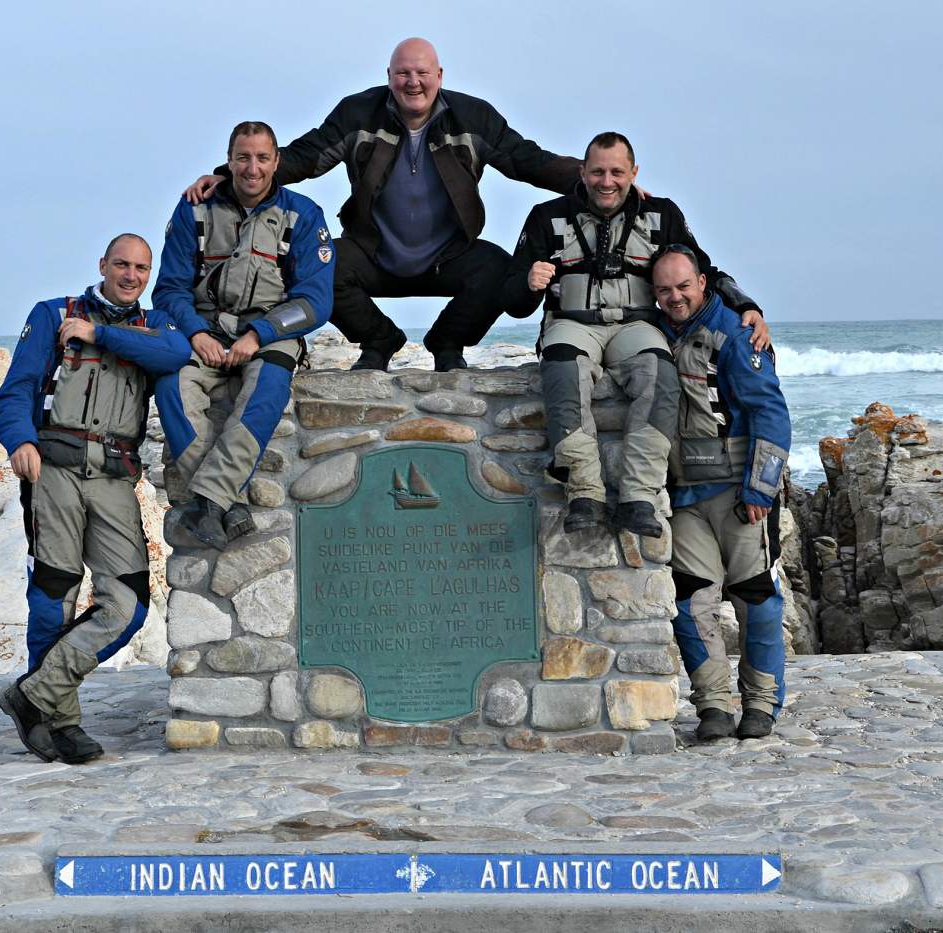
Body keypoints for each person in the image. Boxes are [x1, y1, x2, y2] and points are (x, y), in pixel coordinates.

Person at [183, 37, 578, 373]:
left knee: (497, 268)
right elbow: (306, 157)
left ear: (440, 76)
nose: (413, 82)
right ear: (389, 76)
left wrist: (593, 177)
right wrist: (228, 173)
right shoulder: (358, 113)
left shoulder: (474, 117)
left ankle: (448, 343)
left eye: (422, 73)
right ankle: (378, 340)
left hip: (449, 254)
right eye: (403, 73)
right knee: (317, 266)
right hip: (372, 253)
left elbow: (528, 161)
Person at [499, 132, 769, 537]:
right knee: (563, 371)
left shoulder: (661, 215)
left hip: (636, 327)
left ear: (634, 173)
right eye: (597, 172)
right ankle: (584, 491)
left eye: (616, 172)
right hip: (572, 325)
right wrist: (528, 282)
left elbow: (703, 274)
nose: (606, 182)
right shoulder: (545, 217)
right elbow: (515, 303)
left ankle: (639, 496)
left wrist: (747, 306)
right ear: (582, 172)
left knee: (661, 376)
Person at [0, 234, 191, 764]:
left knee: (127, 604)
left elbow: (177, 353)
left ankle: (31, 696)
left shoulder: (155, 326)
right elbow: (16, 390)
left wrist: (100, 333)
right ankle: (62, 722)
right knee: (53, 597)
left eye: (141, 269)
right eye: (121, 264)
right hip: (53, 471)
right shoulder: (52, 314)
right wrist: (20, 441)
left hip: (114, 479)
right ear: (102, 264)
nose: (130, 275)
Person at [154, 121, 334, 550]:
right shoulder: (194, 209)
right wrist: (196, 333)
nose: (252, 168)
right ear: (229, 159)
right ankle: (226, 504)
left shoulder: (304, 215)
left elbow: (315, 301)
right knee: (171, 387)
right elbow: (169, 289)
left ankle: (208, 502)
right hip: (206, 330)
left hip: (270, 332)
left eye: (262, 158)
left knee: (267, 389)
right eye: (242, 157)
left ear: (277, 161)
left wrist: (258, 334)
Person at [652, 245, 791, 741]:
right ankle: (712, 705)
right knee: (691, 602)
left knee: (758, 599)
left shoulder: (734, 333)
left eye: (683, 287)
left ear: (702, 284)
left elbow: (770, 412)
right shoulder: (652, 332)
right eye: (664, 289)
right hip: (684, 496)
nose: (674, 297)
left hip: (739, 493)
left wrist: (761, 487)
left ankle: (761, 704)